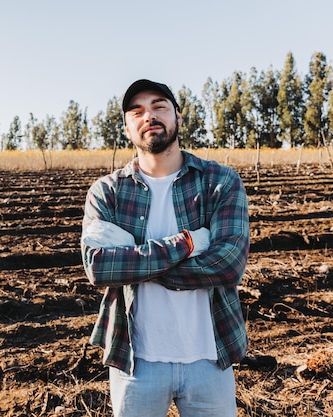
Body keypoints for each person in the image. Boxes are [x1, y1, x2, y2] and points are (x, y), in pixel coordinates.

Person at [80, 79, 250, 417]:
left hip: (209, 359)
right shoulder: (107, 193)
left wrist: (137, 262)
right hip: (136, 362)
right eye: (137, 111)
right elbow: (99, 268)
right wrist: (187, 243)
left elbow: (228, 264)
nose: (149, 116)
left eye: (159, 106)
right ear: (127, 127)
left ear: (178, 117)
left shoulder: (219, 181)